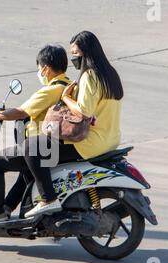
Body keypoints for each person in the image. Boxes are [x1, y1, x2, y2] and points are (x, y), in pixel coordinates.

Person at [24, 31, 124, 218]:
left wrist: (65, 98)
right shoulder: (110, 74)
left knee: (32, 148)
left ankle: (48, 199)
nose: (73, 58)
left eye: (76, 53)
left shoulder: (90, 76)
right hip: (111, 140)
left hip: (89, 142)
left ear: (86, 52)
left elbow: (83, 111)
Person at [0, 44, 75, 224]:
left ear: (45, 68)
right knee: (25, 173)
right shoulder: (68, 84)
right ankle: (7, 207)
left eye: (39, 68)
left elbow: (21, 111)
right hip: (53, 144)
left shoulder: (52, 90)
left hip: (43, 146)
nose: (40, 73)